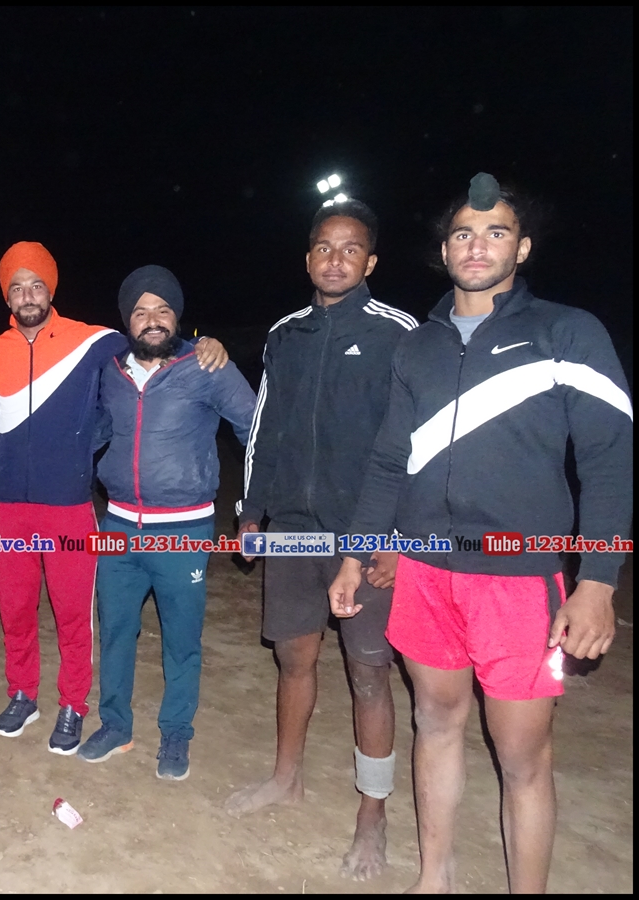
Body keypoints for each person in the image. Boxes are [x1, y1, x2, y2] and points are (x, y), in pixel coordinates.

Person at [329, 173, 633, 893]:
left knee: (523, 757)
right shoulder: (418, 348)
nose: (477, 245)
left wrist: (597, 580)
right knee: (435, 722)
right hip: (427, 570)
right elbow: (388, 460)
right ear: (444, 249)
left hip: (520, 580)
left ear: (521, 248)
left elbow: (609, 460)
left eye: (496, 232)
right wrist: (356, 552)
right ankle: (433, 878)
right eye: (463, 233)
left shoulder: (567, 333)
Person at [225, 200, 417, 881]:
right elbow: (265, 428)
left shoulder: (399, 333)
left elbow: (416, 443)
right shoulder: (286, 335)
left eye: (351, 249)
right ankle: (286, 777)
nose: (336, 260)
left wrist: (397, 537)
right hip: (293, 530)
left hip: (365, 531)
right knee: (293, 658)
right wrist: (252, 512)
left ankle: (373, 812)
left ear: (371, 261)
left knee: (368, 671)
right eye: (325, 248)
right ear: (308, 259)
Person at [0, 243, 228, 755]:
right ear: (6, 296)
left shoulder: (95, 341)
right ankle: (22, 693)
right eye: (16, 287)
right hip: (7, 507)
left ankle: (73, 704)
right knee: (15, 611)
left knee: (74, 615)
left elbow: (155, 342)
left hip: (70, 507)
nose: (27, 296)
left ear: (51, 290)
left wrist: (206, 343)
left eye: (37, 285)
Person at [78, 265, 257, 779]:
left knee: (182, 638)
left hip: (184, 529)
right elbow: (91, 433)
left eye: (162, 310)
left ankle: (176, 733)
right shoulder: (110, 373)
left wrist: (255, 507)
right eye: (140, 312)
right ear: (127, 322)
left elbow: (254, 430)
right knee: (115, 631)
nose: (152, 319)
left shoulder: (207, 365)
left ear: (177, 317)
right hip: (117, 527)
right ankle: (115, 725)